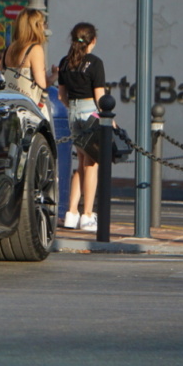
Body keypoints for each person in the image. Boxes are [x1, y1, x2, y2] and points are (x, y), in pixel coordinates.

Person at [58, 22, 107, 232]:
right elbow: (100, 96)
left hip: (73, 113)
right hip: (91, 112)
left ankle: (71, 213)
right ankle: (87, 215)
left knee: (80, 163)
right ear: (93, 41)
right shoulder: (95, 63)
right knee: (92, 164)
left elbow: (61, 96)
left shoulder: (65, 62)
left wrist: (73, 108)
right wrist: (108, 118)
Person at [2, 7, 51, 118]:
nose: (44, 27)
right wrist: (55, 76)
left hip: (11, 105)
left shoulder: (10, 48)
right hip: (30, 107)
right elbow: (42, 83)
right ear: (36, 26)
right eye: (43, 23)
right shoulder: (35, 49)